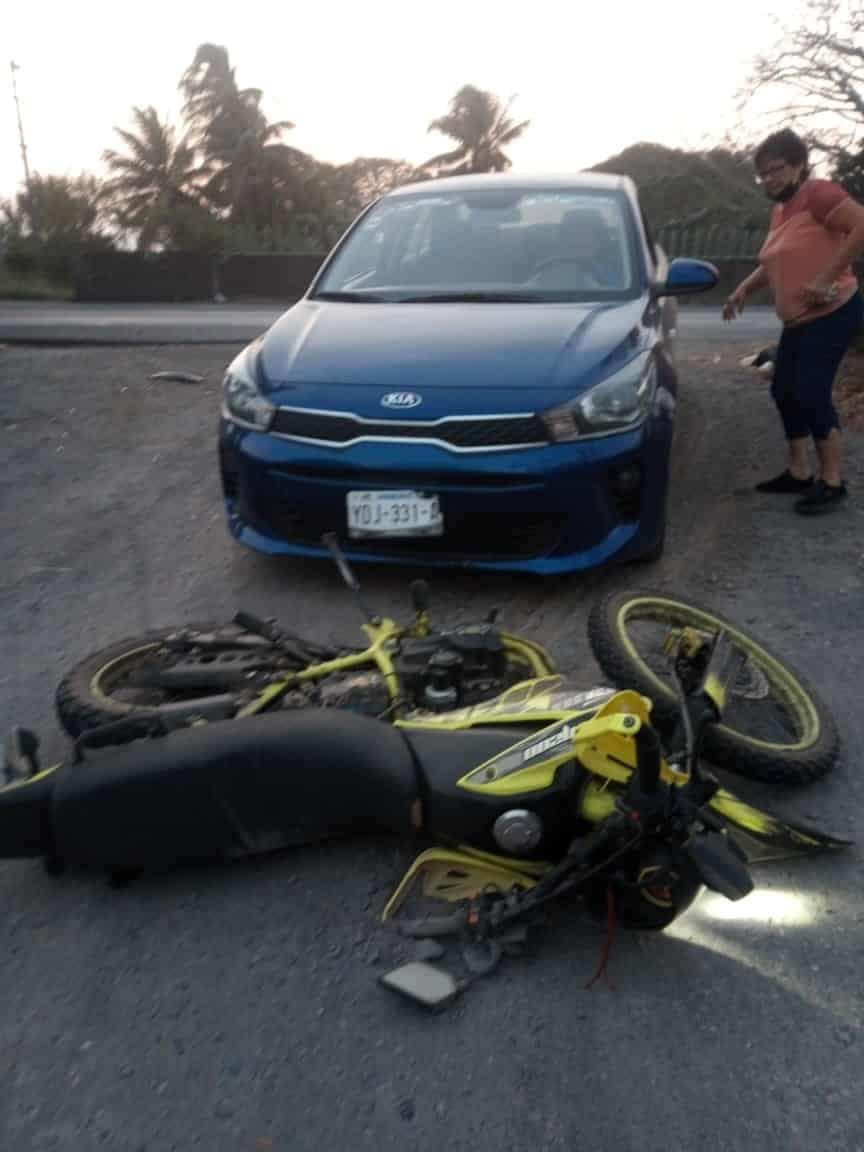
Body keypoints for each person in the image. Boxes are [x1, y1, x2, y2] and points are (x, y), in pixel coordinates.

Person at [723, 128, 864, 514]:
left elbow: (861, 225)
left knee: (810, 392)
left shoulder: (819, 194)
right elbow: (773, 263)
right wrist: (742, 291)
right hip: (798, 320)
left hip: (833, 313)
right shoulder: (781, 210)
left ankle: (833, 481)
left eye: (776, 169)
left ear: (799, 165)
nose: (769, 178)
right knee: (784, 390)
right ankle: (799, 471)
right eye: (763, 173)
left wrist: (826, 278)